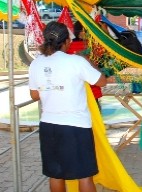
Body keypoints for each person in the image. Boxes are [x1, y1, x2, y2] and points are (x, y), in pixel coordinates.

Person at [28, 21, 107, 192]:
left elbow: (34, 95)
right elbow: (101, 81)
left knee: (56, 174)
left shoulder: (36, 63)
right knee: (84, 174)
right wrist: (90, 62)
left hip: (48, 125)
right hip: (75, 126)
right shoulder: (76, 62)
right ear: (66, 42)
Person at [66, 21, 104, 111]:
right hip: (92, 90)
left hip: (74, 93)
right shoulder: (92, 46)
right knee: (94, 121)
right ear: (81, 33)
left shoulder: (68, 48)